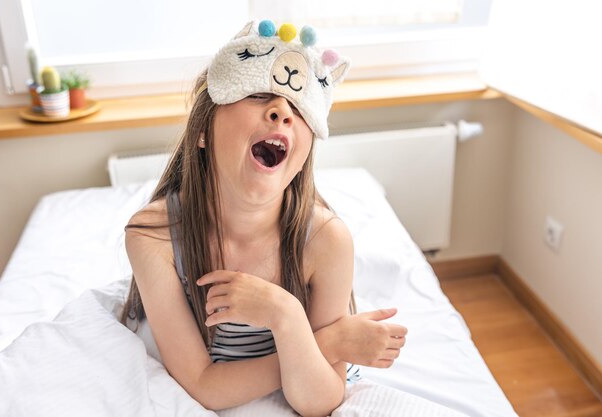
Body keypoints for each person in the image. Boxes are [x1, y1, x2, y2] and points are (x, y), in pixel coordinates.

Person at [120, 20, 407, 417]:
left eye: (298, 108)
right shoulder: (152, 237)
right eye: (258, 94)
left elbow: (320, 401)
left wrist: (284, 315)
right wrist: (330, 342)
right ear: (203, 130)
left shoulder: (327, 241)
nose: (281, 112)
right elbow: (204, 385)